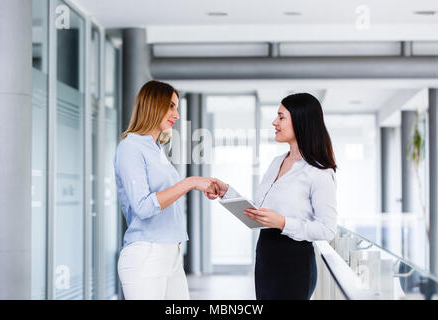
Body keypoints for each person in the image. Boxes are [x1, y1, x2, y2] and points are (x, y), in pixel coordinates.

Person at [206, 93, 338, 300]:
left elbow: (328, 229)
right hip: (266, 259)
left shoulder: (318, 172)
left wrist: (284, 223)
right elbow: (258, 213)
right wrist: (227, 192)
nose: (274, 122)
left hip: (295, 264)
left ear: (301, 121)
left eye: (281, 117)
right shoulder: (277, 161)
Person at [114, 80, 219, 300]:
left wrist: (197, 185)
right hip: (147, 253)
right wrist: (189, 183)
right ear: (154, 105)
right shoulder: (131, 147)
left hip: (172, 253)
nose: (177, 114)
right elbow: (142, 207)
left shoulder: (156, 148)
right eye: (171, 106)